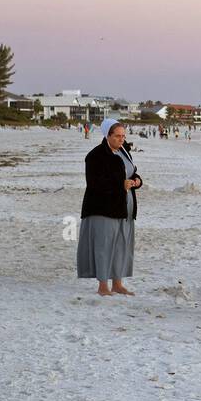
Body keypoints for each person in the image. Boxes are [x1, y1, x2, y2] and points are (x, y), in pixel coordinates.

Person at [76, 118, 142, 296]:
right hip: (103, 209)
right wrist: (120, 184)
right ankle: (103, 286)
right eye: (118, 136)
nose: (122, 139)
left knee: (122, 245)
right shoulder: (95, 155)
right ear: (107, 135)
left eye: (123, 136)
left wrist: (137, 181)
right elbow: (94, 183)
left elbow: (132, 171)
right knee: (104, 246)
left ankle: (118, 284)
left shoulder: (124, 151)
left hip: (124, 207)